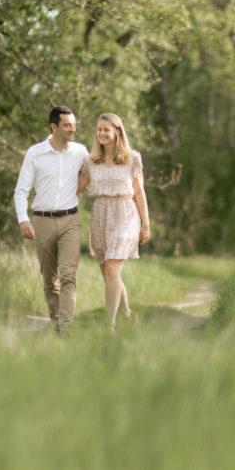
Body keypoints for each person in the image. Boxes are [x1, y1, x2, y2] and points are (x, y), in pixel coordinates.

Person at [14, 106, 89, 335]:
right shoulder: (34, 153)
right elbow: (20, 191)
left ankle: (66, 329)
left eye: (74, 125)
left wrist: (76, 190)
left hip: (70, 220)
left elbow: (92, 172)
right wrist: (23, 220)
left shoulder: (80, 152)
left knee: (68, 275)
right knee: (50, 279)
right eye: (67, 125)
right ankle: (56, 322)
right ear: (54, 127)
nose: (72, 129)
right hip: (42, 221)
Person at [78, 112, 150, 331]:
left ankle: (109, 326)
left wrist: (146, 224)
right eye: (99, 129)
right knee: (110, 275)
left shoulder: (132, 159)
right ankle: (127, 313)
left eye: (106, 129)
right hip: (100, 214)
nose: (101, 133)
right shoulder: (90, 162)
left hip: (125, 214)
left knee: (112, 270)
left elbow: (139, 192)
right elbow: (76, 189)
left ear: (118, 131)